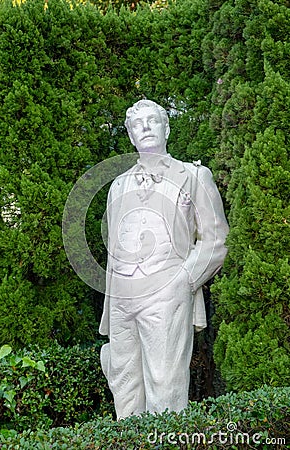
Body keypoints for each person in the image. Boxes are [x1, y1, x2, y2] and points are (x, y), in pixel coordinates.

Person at [99, 99, 229, 419]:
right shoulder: (118, 186)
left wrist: (184, 280)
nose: (145, 127)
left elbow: (216, 239)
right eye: (137, 124)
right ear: (130, 136)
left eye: (152, 121)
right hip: (122, 299)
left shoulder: (195, 176)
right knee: (124, 383)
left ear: (166, 128)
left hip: (167, 294)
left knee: (165, 384)